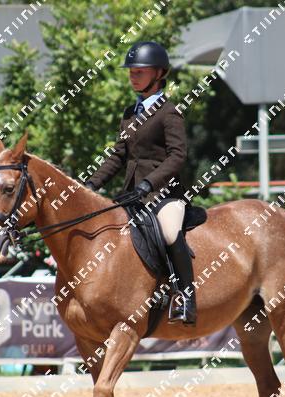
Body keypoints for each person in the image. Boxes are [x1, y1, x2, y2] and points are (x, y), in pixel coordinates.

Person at [84, 41, 196, 326]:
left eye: (139, 71)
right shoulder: (129, 113)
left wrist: (149, 183)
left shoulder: (169, 112)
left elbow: (178, 156)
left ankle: (186, 299)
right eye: (131, 71)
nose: (133, 76)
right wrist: (90, 184)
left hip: (165, 195)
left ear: (159, 73)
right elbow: (118, 156)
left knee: (170, 233)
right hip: (132, 196)